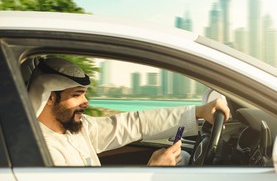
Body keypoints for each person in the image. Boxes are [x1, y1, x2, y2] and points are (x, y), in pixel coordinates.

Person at [28, 57, 230, 166]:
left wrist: (198, 111)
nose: (86, 102)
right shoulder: (43, 152)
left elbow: (134, 123)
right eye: (77, 95)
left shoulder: (78, 128)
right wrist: (152, 171)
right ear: (50, 97)